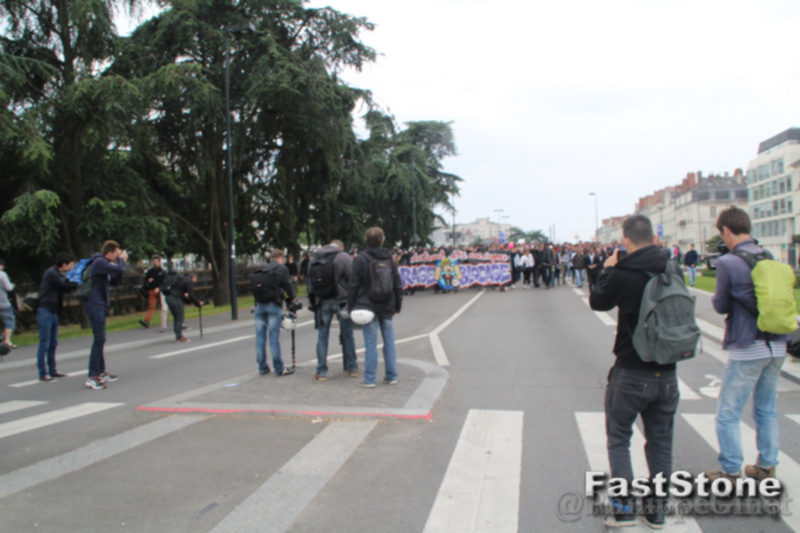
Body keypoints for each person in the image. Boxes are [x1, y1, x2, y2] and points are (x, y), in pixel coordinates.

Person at [590, 215, 679, 529]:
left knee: (619, 439)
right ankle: (656, 510)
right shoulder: (671, 268)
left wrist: (608, 269)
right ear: (654, 238)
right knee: (660, 443)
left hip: (631, 369)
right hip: (667, 371)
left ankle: (624, 510)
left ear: (625, 240)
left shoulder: (624, 272)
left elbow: (598, 302)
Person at [704, 206, 789, 482]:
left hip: (747, 345)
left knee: (728, 412)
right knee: (766, 409)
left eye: (723, 234)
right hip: (776, 343)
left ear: (726, 230)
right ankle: (766, 465)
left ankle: (730, 470)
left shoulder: (728, 262)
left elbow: (720, 304)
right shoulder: (768, 256)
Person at [347, 227, 403, 388]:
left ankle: (370, 379)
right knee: (389, 342)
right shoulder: (389, 258)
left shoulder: (360, 259)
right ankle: (391, 375)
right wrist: (397, 307)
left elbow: (354, 286)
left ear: (366, 240)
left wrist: (351, 308)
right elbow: (398, 285)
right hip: (387, 305)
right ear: (382, 240)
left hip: (367, 306)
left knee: (370, 344)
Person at [82, 241, 127, 390]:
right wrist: (122, 260)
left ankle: (100, 372)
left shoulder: (103, 265)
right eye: (117, 253)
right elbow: (120, 267)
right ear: (110, 252)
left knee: (101, 339)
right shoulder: (100, 262)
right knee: (99, 339)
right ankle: (92, 375)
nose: (118, 255)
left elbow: (114, 279)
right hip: (94, 304)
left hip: (99, 304)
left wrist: (119, 268)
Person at [311, 240, 358, 381]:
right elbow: (353, 278)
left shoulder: (315, 257)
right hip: (341, 301)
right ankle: (352, 367)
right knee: (347, 334)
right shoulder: (343, 257)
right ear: (340, 247)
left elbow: (311, 279)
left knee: (322, 336)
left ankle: (321, 371)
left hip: (322, 301)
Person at [251, 249, 297, 376]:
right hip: (273, 305)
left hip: (259, 305)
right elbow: (287, 285)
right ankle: (278, 368)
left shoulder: (261, 268)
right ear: (280, 258)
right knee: (273, 338)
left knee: (260, 338)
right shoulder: (281, 268)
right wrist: (292, 297)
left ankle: (262, 367)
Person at [36, 253, 78, 382]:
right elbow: (66, 286)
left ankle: (53, 370)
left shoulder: (58, 274)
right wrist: (78, 279)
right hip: (45, 310)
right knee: (45, 342)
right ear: (64, 264)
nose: (72, 267)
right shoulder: (52, 273)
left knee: (53, 342)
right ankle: (43, 372)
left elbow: (67, 288)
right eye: (71, 264)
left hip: (53, 311)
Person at [165, 272, 204, 343]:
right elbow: (191, 296)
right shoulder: (189, 282)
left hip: (169, 298)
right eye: (196, 279)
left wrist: (189, 301)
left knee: (176, 317)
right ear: (194, 277)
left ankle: (178, 335)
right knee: (180, 317)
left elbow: (183, 295)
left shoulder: (182, 280)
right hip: (175, 299)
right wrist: (198, 302)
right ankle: (179, 337)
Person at [139, 255, 168, 332]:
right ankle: (147, 321)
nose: (154, 263)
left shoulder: (163, 272)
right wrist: (148, 281)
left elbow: (165, 282)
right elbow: (146, 280)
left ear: (159, 262)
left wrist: (159, 288)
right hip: (152, 291)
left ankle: (165, 320)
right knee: (151, 306)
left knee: (163, 306)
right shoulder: (150, 272)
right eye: (153, 261)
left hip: (160, 291)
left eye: (156, 261)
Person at [0, 259, 16, 348]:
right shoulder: (2, 275)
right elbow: (9, 288)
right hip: (3, 303)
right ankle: (7, 341)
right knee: (9, 321)